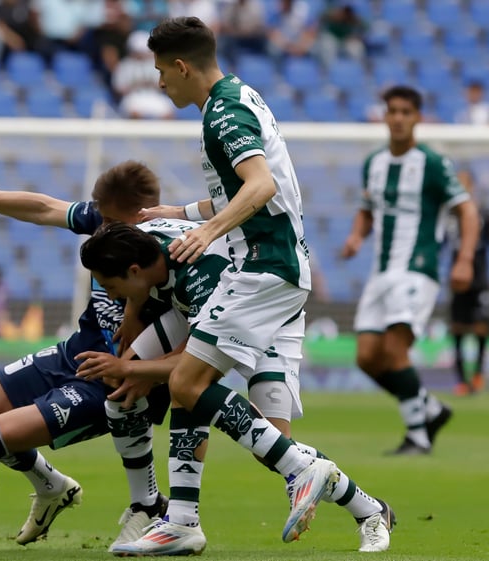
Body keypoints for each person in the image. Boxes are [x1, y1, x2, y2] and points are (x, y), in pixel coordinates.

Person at [122, 16, 342, 554]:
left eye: (160, 72)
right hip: (269, 264)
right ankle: (182, 520)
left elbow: (261, 186)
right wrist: (180, 210)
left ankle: (298, 470)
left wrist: (206, 230)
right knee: (186, 387)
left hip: (267, 266)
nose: (159, 84)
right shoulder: (239, 95)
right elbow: (242, 190)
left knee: (187, 384)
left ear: (180, 65)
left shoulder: (221, 113)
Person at [0, 161, 171, 554]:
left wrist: (144, 371)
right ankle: (51, 485)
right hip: (74, 354)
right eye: (100, 216)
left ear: (143, 215)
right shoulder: (106, 225)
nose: (102, 226)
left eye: (110, 218)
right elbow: (42, 207)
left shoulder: (170, 254)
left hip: (112, 381)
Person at [77, 220, 396, 555]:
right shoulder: (145, 240)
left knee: (260, 437)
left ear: (134, 270)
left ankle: (369, 509)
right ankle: (158, 510)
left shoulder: (201, 272)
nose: (110, 295)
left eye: (111, 287)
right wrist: (131, 312)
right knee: (123, 386)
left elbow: (190, 361)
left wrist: (131, 365)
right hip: (193, 311)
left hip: (269, 319)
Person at [340, 85, 480, 455]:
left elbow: (467, 210)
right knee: (367, 358)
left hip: (418, 268)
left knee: (394, 349)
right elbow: (367, 208)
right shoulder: (374, 163)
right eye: (393, 111)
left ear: (417, 117)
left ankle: (418, 436)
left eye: (406, 112)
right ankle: (431, 409)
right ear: (384, 116)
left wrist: (464, 259)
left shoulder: (432, 164)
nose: (399, 118)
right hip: (381, 271)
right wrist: (356, 237)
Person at [448, 169, 489, 395]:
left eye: (465, 183)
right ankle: (462, 381)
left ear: (471, 186)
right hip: (457, 280)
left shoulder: (484, 214)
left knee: (482, 327)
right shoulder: (450, 216)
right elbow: (440, 245)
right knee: (457, 329)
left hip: (480, 279)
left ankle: (479, 375)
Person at [112, 30, 176, 119]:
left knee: (168, 112)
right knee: (134, 112)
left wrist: (151, 84)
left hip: (154, 95)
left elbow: (164, 86)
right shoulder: (124, 65)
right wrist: (135, 85)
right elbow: (118, 89)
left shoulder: (156, 64)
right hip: (132, 96)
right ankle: (135, 133)